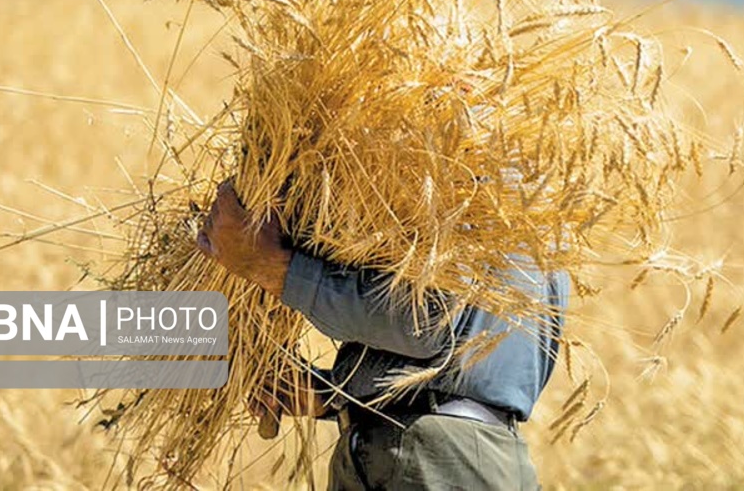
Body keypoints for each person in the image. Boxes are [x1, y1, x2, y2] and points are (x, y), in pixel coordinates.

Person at [198, 180, 569, 490]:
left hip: (435, 461)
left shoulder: (458, 177)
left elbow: (424, 324)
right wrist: (335, 395)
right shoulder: (532, 200)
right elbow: (466, 354)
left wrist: (273, 267)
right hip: (443, 456)